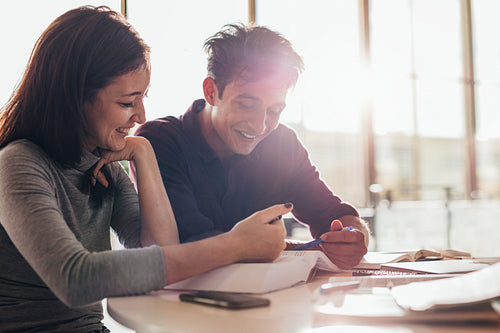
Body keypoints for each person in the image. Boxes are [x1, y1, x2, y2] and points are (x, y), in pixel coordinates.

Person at [0, 7, 290, 332]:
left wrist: (144, 152)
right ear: (74, 97)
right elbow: (75, 279)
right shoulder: (17, 163)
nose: (140, 116)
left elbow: (161, 254)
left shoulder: (106, 168)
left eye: (142, 99)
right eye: (127, 102)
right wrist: (235, 244)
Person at [133, 23, 370, 270]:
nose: (260, 126)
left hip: (268, 303)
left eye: (274, 110)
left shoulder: (282, 143)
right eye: (247, 105)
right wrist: (275, 246)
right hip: (172, 304)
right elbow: (184, 244)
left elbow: (332, 212)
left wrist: (354, 235)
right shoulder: (160, 142)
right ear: (211, 91)